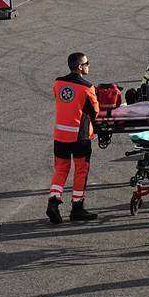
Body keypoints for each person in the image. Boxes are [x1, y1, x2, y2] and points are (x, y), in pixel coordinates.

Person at [47, 52, 100, 224]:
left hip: (60, 135)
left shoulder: (58, 82)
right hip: (80, 136)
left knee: (61, 170)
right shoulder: (87, 87)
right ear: (80, 67)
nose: (89, 66)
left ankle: (53, 202)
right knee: (80, 170)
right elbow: (95, 112)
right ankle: (77, 207)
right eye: (87, 63)